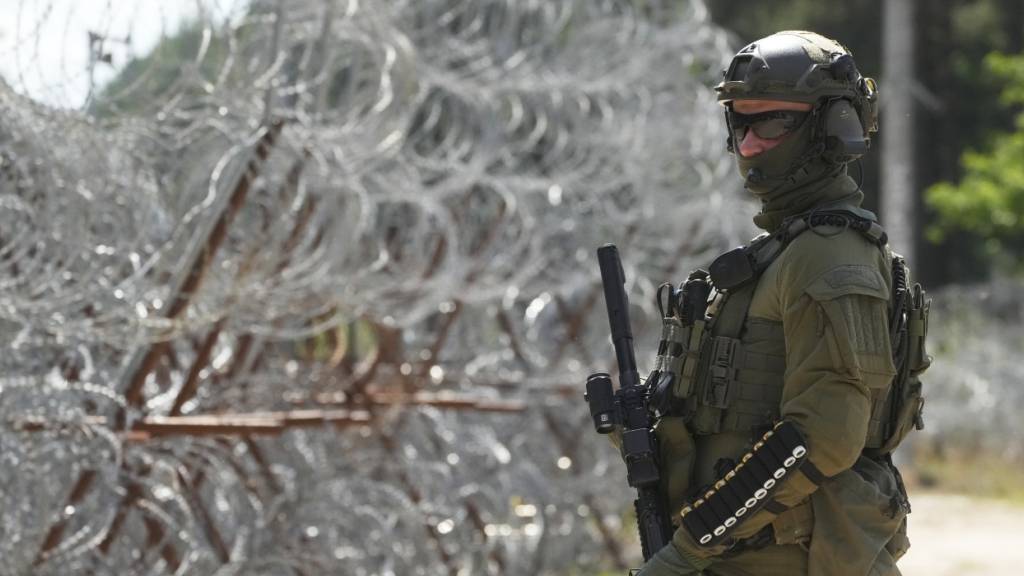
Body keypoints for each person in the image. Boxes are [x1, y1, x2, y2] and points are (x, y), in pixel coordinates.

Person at [630, 31, 928, 576]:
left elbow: (824, 439)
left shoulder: (831, 257)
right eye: (739, 123)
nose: (747, 145)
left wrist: (690, 550)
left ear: (833, 127)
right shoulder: (781, 253)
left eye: (769, 122)